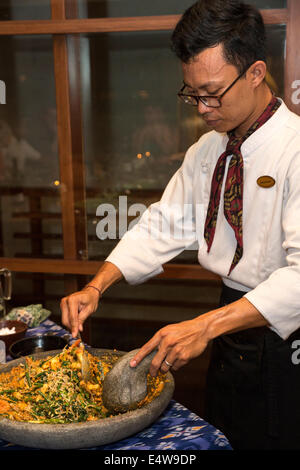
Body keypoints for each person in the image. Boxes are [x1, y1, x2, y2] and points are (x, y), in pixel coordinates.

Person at [61, 0, 300, 450]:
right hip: (229, 332)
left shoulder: (295, 150)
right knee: (225, 435)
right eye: (192, 94)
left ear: (255, 73)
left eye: (212, 92)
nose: (202, 107)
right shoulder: (207, 151)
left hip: (287, 344)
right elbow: (163, 225)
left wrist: (205, 327)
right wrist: (96, 286)